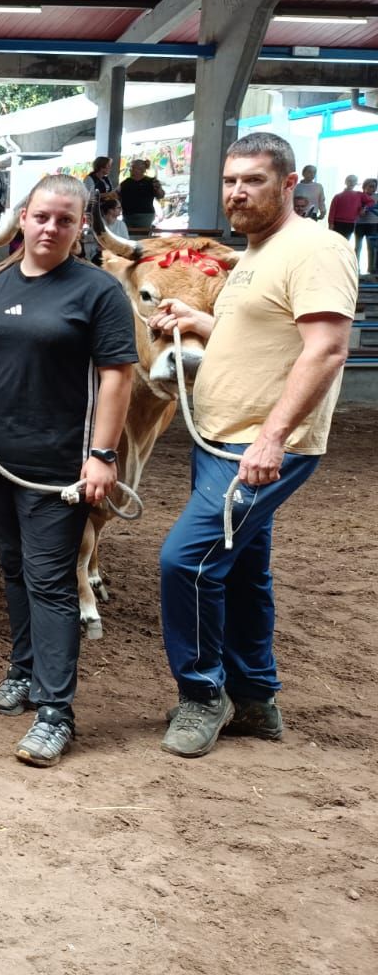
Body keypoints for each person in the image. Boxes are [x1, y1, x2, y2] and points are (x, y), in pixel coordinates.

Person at [148, 132, 356, 759]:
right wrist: (198, 322)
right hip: (221, 439)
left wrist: (272, 438)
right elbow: (262, 337)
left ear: (289, 184)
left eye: (254, 180)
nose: (238, 192)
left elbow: (327, 349)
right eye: (231, 181)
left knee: (185, 562)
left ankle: (202, 695)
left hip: (255, 449)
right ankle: (256, 698)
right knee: (241, 571)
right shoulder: (257, 253)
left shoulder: (316, 249)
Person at [0, 174, 137, 768]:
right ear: (22, 217)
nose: (51, 228)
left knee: (50, 581)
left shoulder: (98, 291)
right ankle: (23, 674)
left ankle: (56, 713)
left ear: (81, 228)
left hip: (59, 466)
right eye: (42, 216)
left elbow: (117, 376)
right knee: (12, 565)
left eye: (65, 220)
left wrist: (102, 456)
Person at [117, 158, 164, 231]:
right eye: (131, 167)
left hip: (145, 214)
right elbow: (119, 196)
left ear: (141, 169)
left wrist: (158, 188)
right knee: (127, 235)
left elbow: (160, 196)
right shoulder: (126, 182)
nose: (130, 170)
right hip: (127, 215)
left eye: (133, 168)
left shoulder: (151, 181)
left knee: (142, 235)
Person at [328, 174, 365, 242]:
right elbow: (332, 211)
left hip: (350, 223)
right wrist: (331, 223)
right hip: (337, 223)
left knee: (345, 241)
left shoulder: (359, 195)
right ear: (345, 182)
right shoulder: (338, 196)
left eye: (354, 181)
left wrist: (364, 208)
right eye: (349, 181)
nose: (351, 182)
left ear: (356, 183)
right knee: (335, 241)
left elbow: (370, 202)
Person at [356, 177, 378, 278]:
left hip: (373, 224)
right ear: (364, 187)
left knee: (372, 247)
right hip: (359, 224)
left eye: (375, 187)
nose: (373, 189)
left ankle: (372, 270)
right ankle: (356, 269)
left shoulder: (377, 197)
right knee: (358, 247)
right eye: (371, 186)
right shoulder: (359, 196)